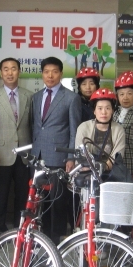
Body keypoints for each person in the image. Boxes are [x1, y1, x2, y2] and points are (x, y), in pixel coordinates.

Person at [31, 56, 81, 244]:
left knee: (57, 201)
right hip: (38, 157)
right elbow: (36, 126)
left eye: (54, 72)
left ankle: (56, 239)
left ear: (60, 73)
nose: (50, 76)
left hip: (59, 157)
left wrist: (71, 157)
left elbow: (74, 130)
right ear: (42, 74)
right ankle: (43, 237)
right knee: (40, 200)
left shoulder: (71, 98)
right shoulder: (36, 97)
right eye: (46, 72)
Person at [0, 58, 33, 238]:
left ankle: (20, 229)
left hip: (24, 153)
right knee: (0, 194)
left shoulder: (29, 96)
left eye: (13, 69)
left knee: (22, 194)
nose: (10, 72)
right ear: (1, 73)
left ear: (19, 71)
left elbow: (32, 125)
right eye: (6, 69)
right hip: (1, 153)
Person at [75, 88, 125, 166]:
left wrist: (104, 167)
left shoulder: (119, 130)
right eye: (100, 108)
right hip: (87, 170)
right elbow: (80, 155)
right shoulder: (83, 128)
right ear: (94, 111)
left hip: (111, 171)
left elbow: (117, 157)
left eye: (107, 108)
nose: (103, 112)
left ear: (112, 110)